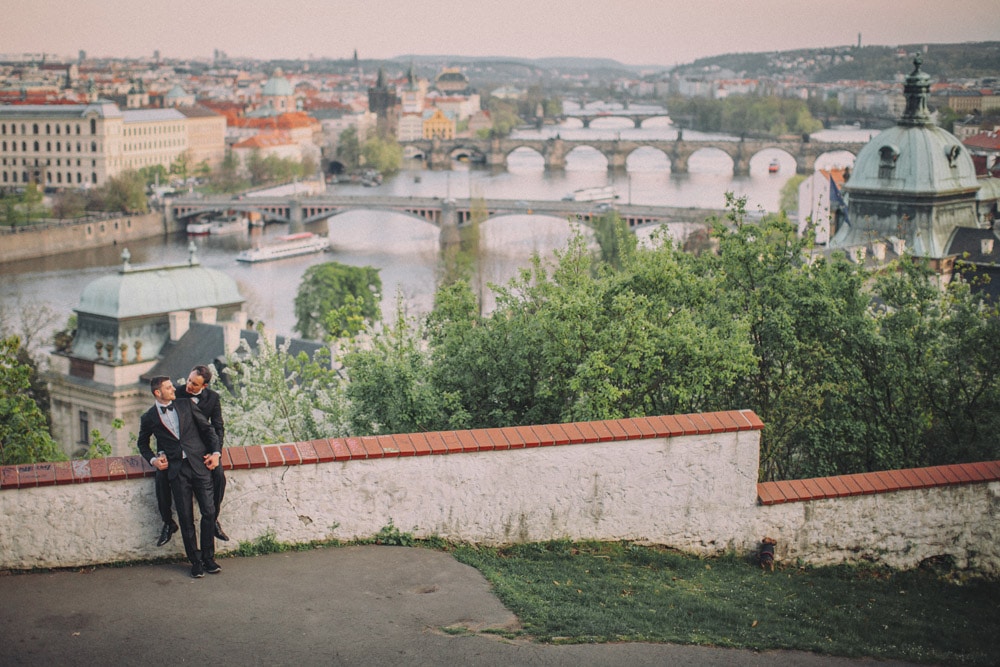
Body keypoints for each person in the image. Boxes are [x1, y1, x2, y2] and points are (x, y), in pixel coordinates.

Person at [138, 375, 222, 578]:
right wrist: (154, 461)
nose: (174, 389)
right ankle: (195, 561)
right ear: (158, 393)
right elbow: (142, 444)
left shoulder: (186, 405)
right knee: (186, 518)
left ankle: (209, 558)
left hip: (199, 464)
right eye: (168, 388)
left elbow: (208, 429)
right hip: (177, 471)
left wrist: (216, 453)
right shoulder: (148, 417)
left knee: (209, 512)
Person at [153, 365, 229, 546]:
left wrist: (215, 452)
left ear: (204, 386)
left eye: (194, 384)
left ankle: (213, 519)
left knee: (218, 475)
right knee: (161, 475)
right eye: (188, 380)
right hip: (177, 449)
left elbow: (217, 427)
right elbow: (162, 426)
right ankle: (168, 522)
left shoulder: (212, 399)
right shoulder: (175, 393)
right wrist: (161, 454)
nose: (189, 386)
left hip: (203, 448)